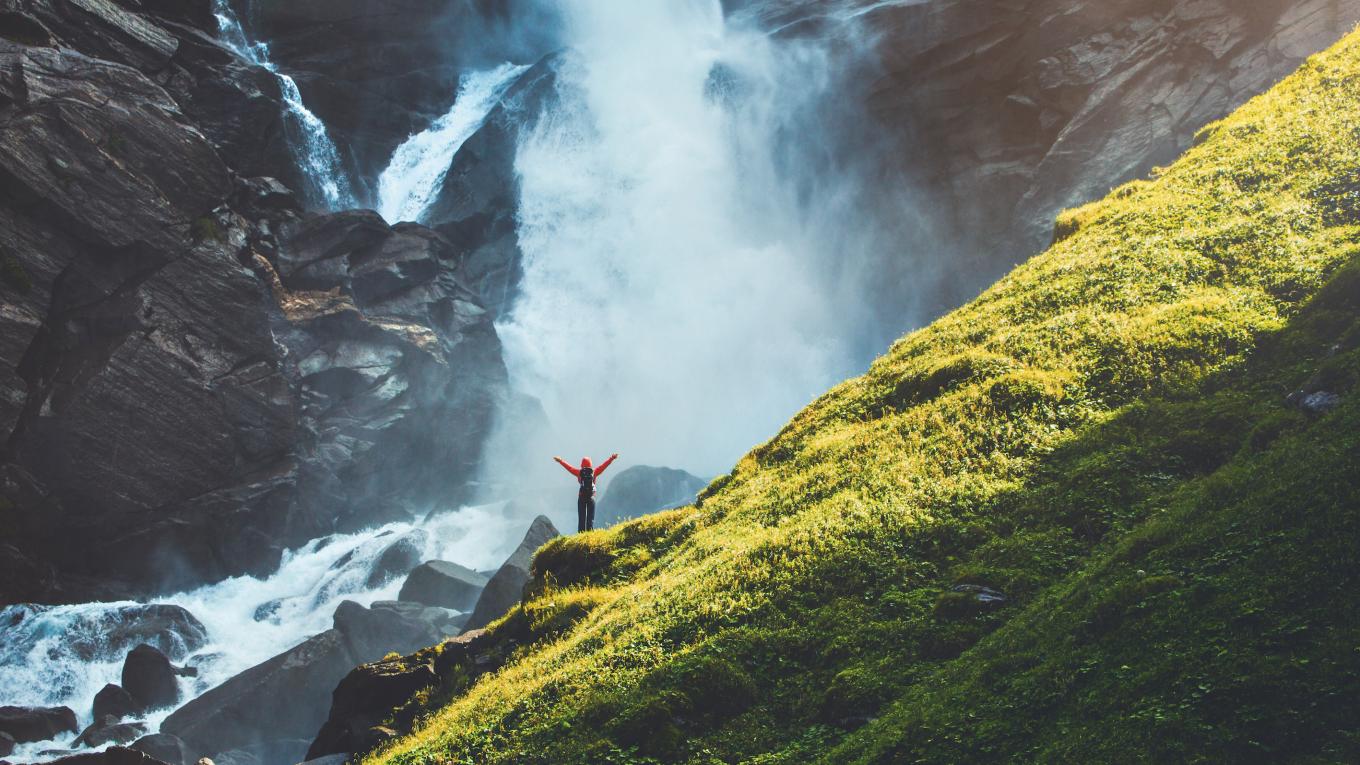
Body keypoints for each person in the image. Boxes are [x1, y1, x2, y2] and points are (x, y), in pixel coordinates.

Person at [553, 453, 618, 532]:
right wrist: (612, 458)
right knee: (590, 518)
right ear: (590, 464)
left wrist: (561, 461)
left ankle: (581, 535)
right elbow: (604, 465)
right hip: (591, 497)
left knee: (582, 518)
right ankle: (589, 535)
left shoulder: (579, 472)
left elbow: (569, 468)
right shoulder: (595, 471)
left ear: (581, 464)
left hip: (582, 497)